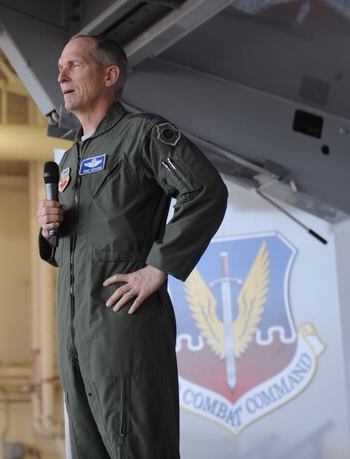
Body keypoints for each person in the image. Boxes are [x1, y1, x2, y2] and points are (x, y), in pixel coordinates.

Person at [36, 35, 228, 458]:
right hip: (75, 337)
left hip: (122, 330)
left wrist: (158, 266)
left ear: (110, 75)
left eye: (74, 65)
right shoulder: (69, 161)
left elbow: (205, 191)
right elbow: (76, 246)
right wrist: (49, 229)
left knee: (135, 447)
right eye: (59, 67)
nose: (61, 75)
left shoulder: (143, 135)